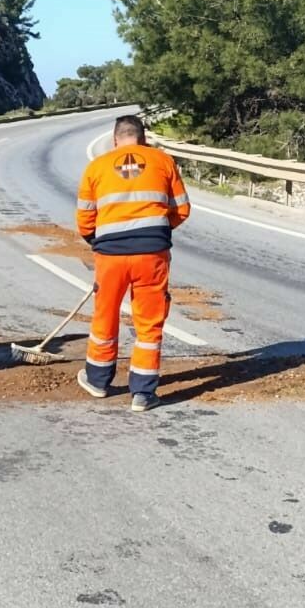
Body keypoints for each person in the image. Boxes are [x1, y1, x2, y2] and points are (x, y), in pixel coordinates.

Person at [74, 113, 191, 412]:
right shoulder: (162, 161)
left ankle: (98, 380)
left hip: (110, 256)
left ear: (115, 140)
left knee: (105, 315)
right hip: (151, 255)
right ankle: (143, 393)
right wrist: (156, 232)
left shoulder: (97, 166)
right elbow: (182, 209)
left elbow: (85, 218)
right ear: (144, 138)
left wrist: (97, 240)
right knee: (149, 323)